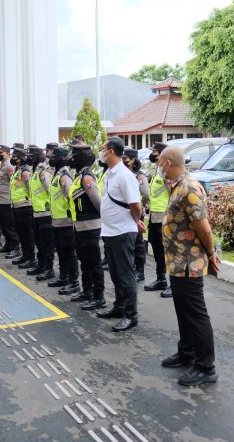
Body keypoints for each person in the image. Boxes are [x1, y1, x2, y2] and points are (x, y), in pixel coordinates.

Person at [157, 145, 220, 386]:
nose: (157, 166)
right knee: (183, 311)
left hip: (188, 263)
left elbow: (203, 228)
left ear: (168, 163)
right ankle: (187, 352)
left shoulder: (190, 188)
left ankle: (206, 366)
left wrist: (212, 252)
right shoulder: (177, 186)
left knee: (195, 314)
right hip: (176, 262)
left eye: (159, 162)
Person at [98, 137, 145, 332]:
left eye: (103, 149)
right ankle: (119, 307)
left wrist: (136, 220)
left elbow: (135, 204)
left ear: (111, 152)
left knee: (125, 275)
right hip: (110, 231)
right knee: (116, 274)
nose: (100, 152)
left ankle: (130, 315)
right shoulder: (110, 173)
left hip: (123, 231)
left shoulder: (125, 176)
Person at [68, 144, 105, 310]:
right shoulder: (79, 176)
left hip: (89, 226)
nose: (71, 158)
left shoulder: (87, 177)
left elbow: (98, 202)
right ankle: (87, 291)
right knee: (84, 260)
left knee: (94, 262)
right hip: (79, 225)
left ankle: (99, 296)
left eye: (74, 155)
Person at [48, 147, 80, 294]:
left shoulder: (64, 175)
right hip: (57, 220)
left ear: (61, 158)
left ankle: (73, 282)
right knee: (61, 251)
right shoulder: (57, 174)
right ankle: (63, 276)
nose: (51, 159)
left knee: (69, 252)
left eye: (54, 157)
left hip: (66, 221)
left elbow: (70, 196)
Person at [144, 142, 171, 297]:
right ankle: (161, 279)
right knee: (156, 249)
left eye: (155, 152)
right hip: (154, 216)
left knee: (167, 251)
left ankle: (173, 283)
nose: (153, 154)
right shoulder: (158, 170)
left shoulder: (167, 172)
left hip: (164, 216)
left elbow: (172, 193)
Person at [27, 145, 56, 280]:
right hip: (36, 212)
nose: (29, 158)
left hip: (45, 213)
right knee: (39, 242)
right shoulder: (35, 171)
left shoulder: (43, 172)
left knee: (47, 243)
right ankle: (41, 264)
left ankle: (48, 269)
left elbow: (50, 190)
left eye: (31, 156)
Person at [123, 148, 148, 282]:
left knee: (138, 243)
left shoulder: (139, 175)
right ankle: (132, 267)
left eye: (126, 159)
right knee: (129, 242)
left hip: (136, 212)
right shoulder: (125, 174)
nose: (123, 161)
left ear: (133, 160)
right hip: (126, 213)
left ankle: (140, 271)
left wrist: (140, 207)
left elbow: (146, 195)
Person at [10, 145, 36, 269]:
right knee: (21, 232)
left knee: (27, 234)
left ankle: (30, 258)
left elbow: (29, 188)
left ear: (20, 158)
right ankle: (25, 255)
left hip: (24, 206)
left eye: (14, 156)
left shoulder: (25, 170)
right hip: (17, 206)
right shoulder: (18, 169)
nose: (12, 158)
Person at [0, 144, 20, 256]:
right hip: (1, 201)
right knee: (4, 225)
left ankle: (15, 247)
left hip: (7, 201)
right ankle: (8, 245)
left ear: (8, 154)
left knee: (10, 226)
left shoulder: (9, 165)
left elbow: (14, 183)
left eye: (1, 153)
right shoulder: (3, 165)